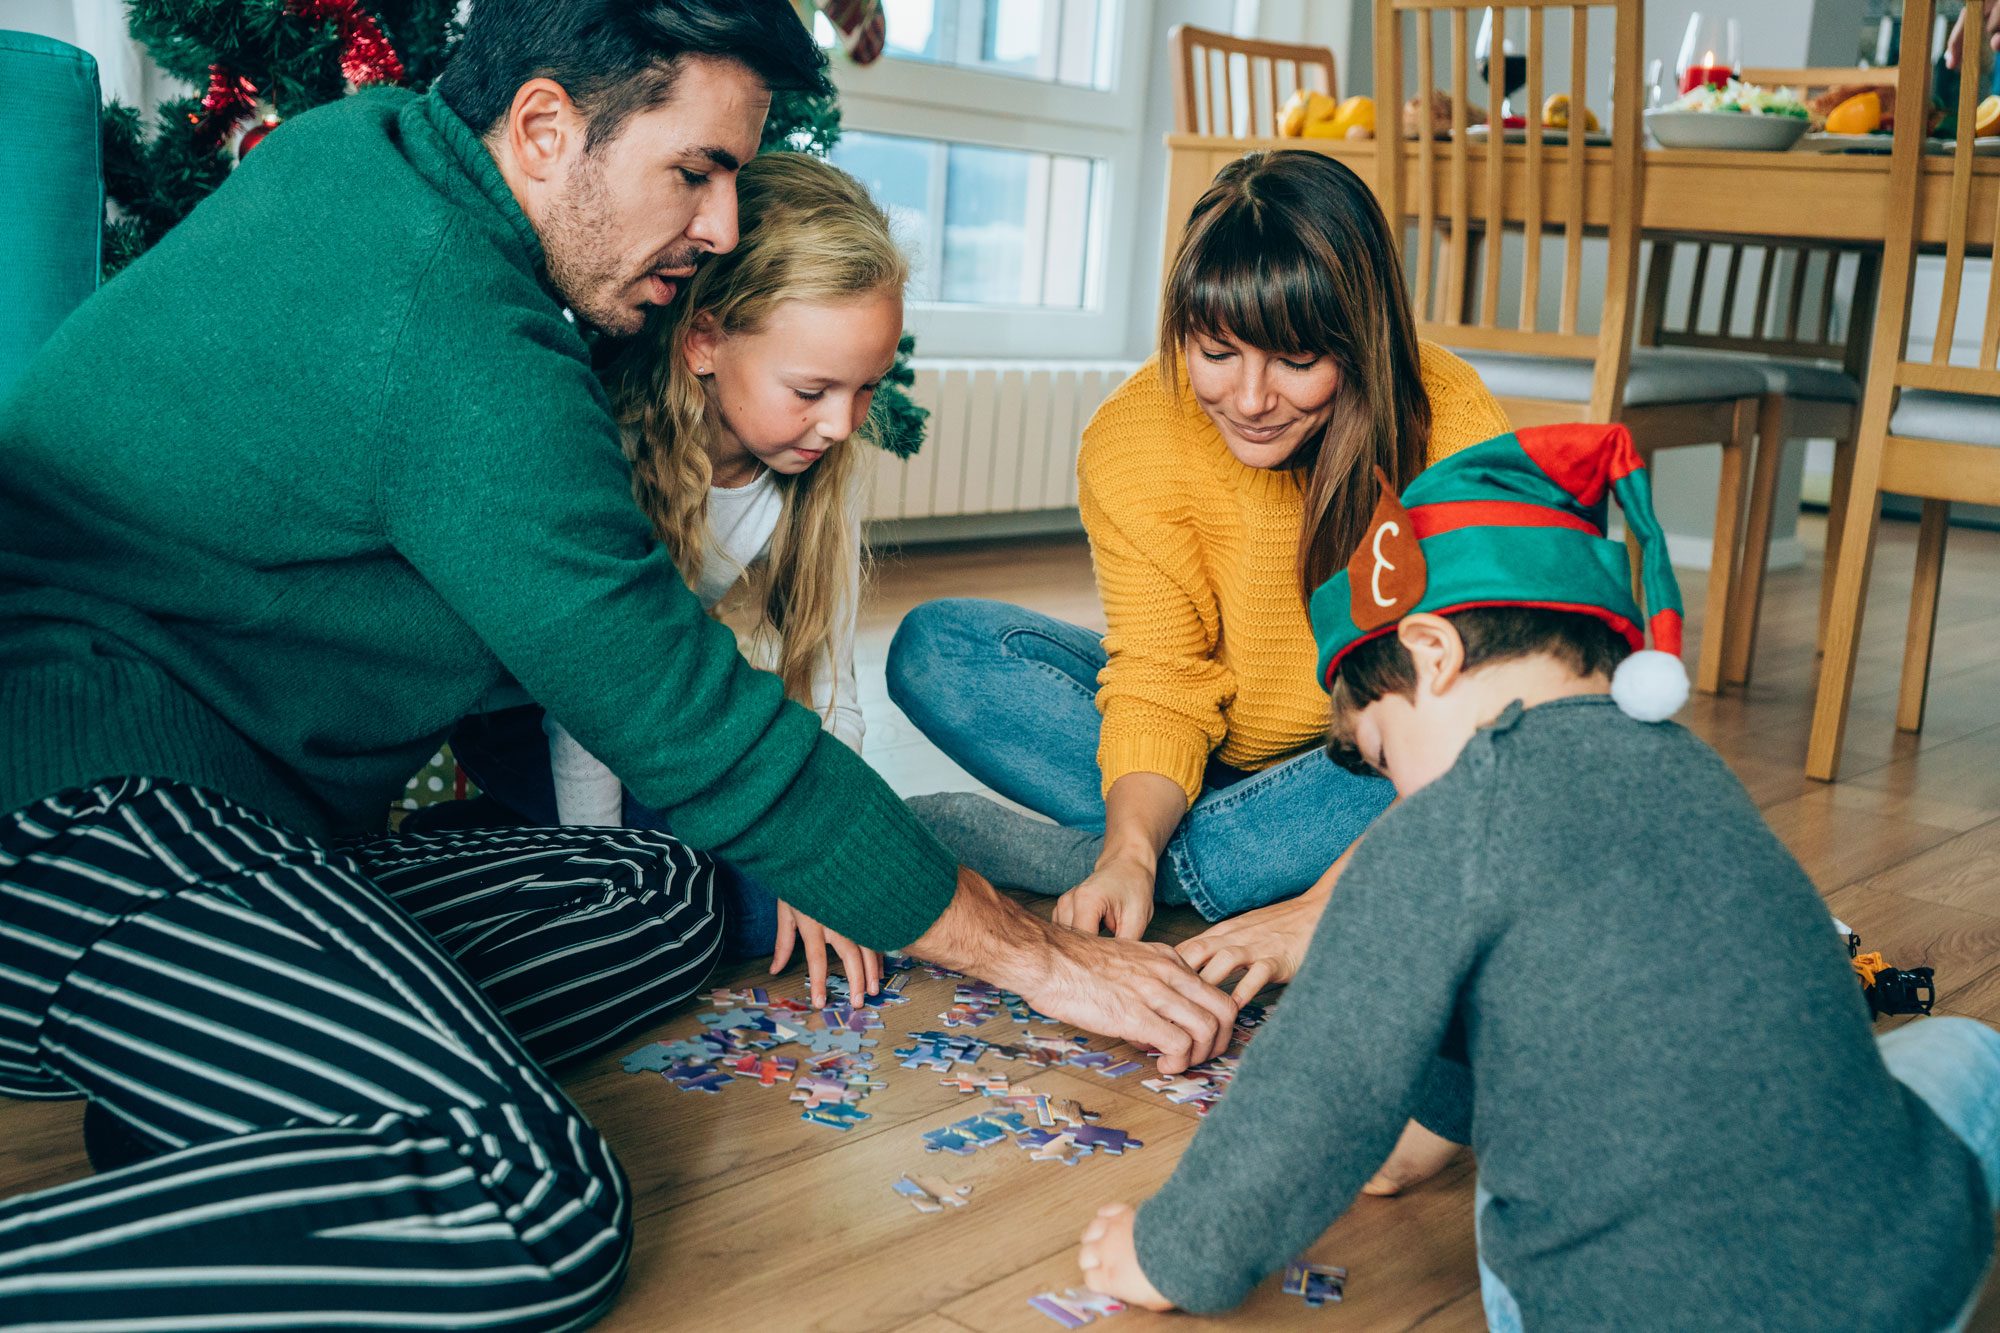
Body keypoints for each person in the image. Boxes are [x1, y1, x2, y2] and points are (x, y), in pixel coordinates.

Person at [0, 2, 1233, 1326]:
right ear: (543, 129)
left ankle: (229, 1112)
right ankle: (275, 1114)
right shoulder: (450, 321)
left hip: (262, 824)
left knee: (661, 884)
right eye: (695, 173)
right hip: (76, 817)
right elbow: (681, 715)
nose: (718, 230)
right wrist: (1040, 962)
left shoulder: (380, 156)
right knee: (529, 1209)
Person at [1072, 422, 2000, 1330]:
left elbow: (1317, 1088)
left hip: (1624, 1308)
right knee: (1963, 1048)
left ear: (1433, 654)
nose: (1397, 785)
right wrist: (1413, 1143)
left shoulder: (1447, 824)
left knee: (1533, 1194)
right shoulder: (1691, 767)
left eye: (1384, 750)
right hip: (1914, 1279)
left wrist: (1167, 1253)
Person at [888, 150, 1509, 944]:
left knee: (1472, 754)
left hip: (1351, 764)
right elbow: (1160, 675)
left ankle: (1071, 856)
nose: (1250, 399)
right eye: (1217, 353)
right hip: (1212, 750)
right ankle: (1198, 859)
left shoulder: (1448, 420)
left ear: (1359, 342)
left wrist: (1310, 913)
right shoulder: (1133, 434)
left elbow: (1469, 707)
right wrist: (1129, 851)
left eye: (1296, 360)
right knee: (936, 648)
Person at [444, 148, 897, 1006]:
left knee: (832, 885)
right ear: (703, 343)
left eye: (866, 388)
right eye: (811, 389)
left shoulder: (807, 466)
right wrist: (602, 872)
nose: (842, 423)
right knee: (764, 914)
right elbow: (589, 708)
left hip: (658, 728)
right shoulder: (607, 451)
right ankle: (475, 840)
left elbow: (830, 685)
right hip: (530, 726)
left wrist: (829, 841)